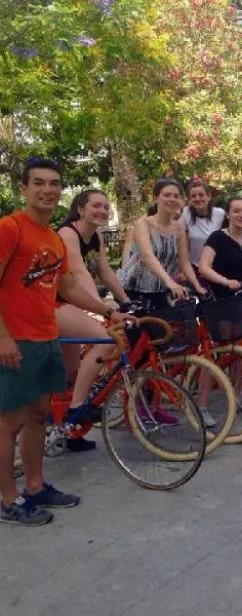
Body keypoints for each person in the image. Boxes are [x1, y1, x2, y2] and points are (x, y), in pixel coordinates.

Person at [0, 158, 129, 526]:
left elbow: (67, 287)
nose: (47, 190)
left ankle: (36, 486)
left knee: (39, 415)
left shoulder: (54, 239)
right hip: (16, 341)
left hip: (46, 338)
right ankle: (9, 500)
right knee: (9, 422)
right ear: (23, 189)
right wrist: (3, 337)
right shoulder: (10, 229)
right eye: (38, 183)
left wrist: (106, 312)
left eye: (54, 183)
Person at [55, 189, 131, 452]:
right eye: (96, 206)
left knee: (73, 373)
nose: (102, 211)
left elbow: (104, 271)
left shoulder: (94, 236)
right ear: (80, 209)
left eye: (105, 207)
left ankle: (69, 434)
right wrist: (103, 309)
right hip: (54, 303)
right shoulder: (68, 233)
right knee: (103, 340)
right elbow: (77, 272)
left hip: (71, 303)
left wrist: (126, 301)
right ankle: (77, 407)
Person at [118, 178, 206, 310]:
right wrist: (170, 282)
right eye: (167, 195)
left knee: (168, 327)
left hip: (160, 288)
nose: (172, 199)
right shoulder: (143, 224)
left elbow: (184, 262)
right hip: (132, 289)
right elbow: (147, 256)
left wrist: (197, 286)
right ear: (155, 198)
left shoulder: (179, 228)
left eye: (176, 196)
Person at [198, 196, 242, 297]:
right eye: (236, 211)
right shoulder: (217, 237)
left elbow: (241, 262)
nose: (241, 215)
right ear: (228, 215)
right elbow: (203, 268)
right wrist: (226, 282)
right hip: (222, 297)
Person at [180, 178, 225, 276]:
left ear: (209, 197)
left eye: (201, 195)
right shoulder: (185, 213)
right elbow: (184, 244)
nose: (197, 199)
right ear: (189, 199)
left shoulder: (220, 214)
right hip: (194, 266)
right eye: (193, 196)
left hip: (217, 266)